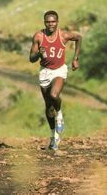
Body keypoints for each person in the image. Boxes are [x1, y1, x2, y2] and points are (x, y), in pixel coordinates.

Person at [29, 10, 82, 150]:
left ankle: (60, 114)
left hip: (59, 70)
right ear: (44, 22)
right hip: (44, 72)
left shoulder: (63, 35)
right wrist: (38, 54)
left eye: (53, 21)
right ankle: (54, 136)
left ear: (57, 22)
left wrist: (75, 59)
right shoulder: (39, 36)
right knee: (48, 107)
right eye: (48, 22)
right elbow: (31, 59)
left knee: (54, 95)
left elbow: (78, 38)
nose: (50, 24)